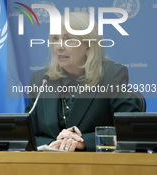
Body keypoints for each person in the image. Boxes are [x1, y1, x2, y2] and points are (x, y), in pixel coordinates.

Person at [25, 12, 140, 152]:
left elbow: (130, 131)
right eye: (56, 38)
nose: (59, 47)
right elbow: (27, 135)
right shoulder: (41, 80)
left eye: (68, 39)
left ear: (88, 45)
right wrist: (54, 143)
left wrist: (83, 141)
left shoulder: (112, 75)